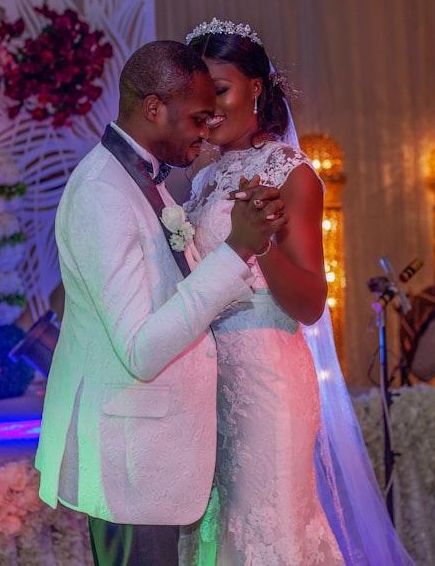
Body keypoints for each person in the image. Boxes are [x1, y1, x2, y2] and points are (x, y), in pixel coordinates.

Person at [34, 40, 286, 565]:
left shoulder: (147, 183)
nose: (207, 129)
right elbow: (141, 349)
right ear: (154, 108)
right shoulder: (103, 193)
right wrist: (237, 249)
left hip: (158, 455)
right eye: (198, 117)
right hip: (131, 460)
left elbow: (176, 290)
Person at [180, 18, 414, 565]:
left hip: (265, 380)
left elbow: (312, 302)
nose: (209, 107)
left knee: (269, 536)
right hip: (207, 379)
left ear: (255, 87)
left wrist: (258, 244)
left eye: (220, 89)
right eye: (198, 96)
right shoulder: (201, 181)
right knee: (217, 537)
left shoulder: (292, 174)